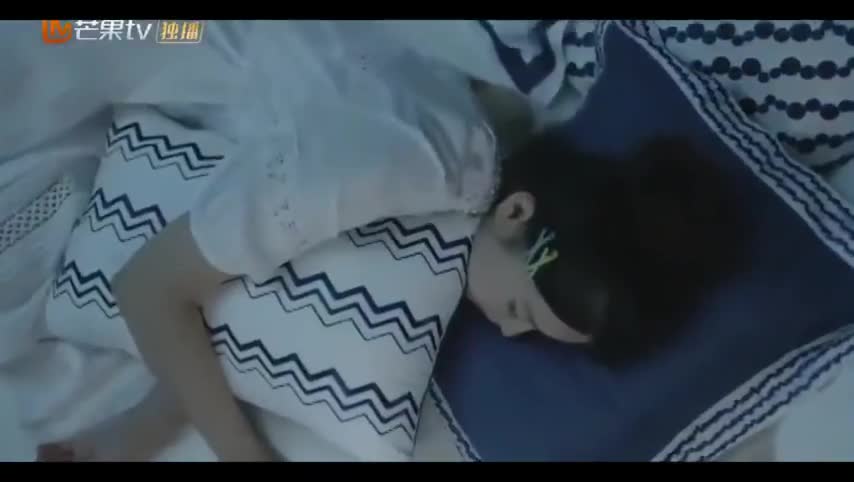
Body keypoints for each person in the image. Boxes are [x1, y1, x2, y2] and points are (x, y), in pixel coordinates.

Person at [36, 24, 745, 462]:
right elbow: (147, 286)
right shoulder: (410, 166)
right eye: (521, 311)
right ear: (516, 212)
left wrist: (151, 419)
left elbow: (279, 284)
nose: (504, 330)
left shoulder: (477, 151)